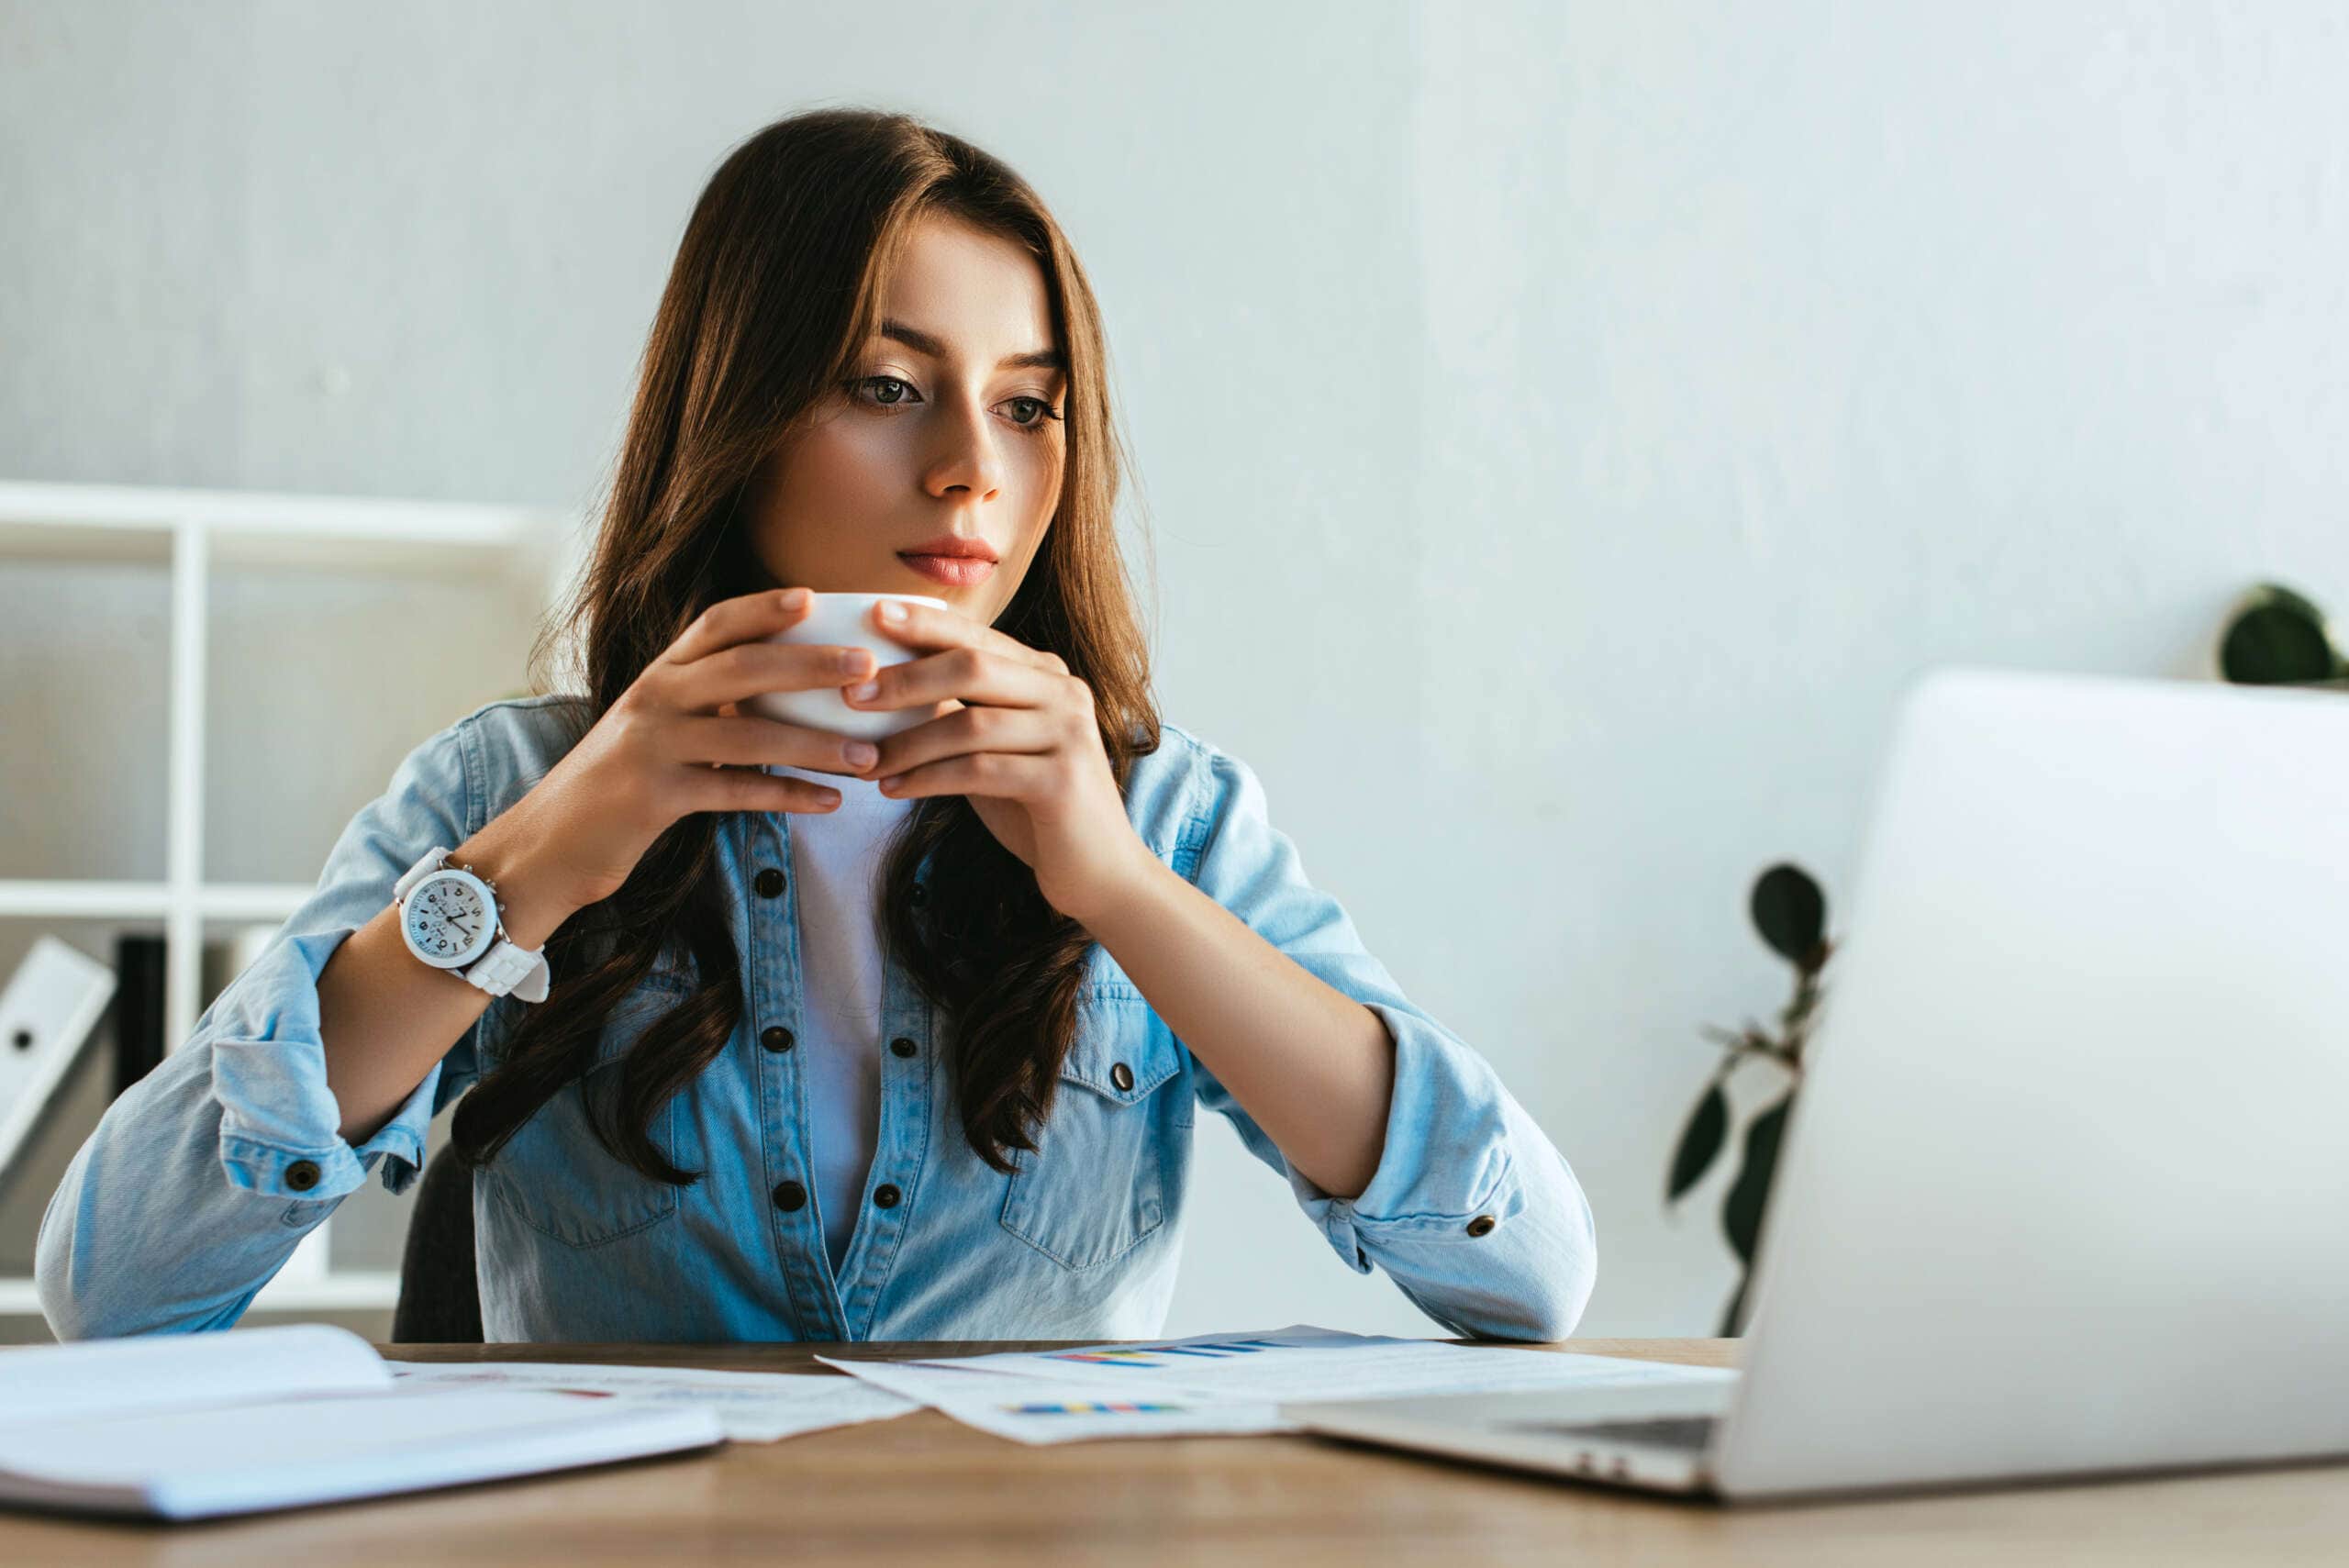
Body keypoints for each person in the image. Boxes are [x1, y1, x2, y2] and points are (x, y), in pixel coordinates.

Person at [37, 108, 1596, 1343]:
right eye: (886, 382)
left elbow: (1530, 1275)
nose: (975, 469)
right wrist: (537, 864)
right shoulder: (510, 786)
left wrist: (1117, 885)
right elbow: (114, 1286)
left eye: (1030, 404)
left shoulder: (1168, 816)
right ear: (740, 412)